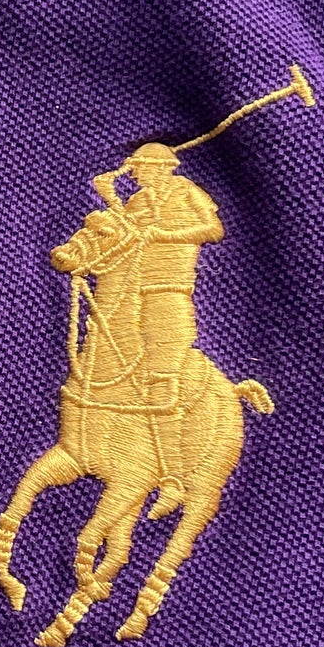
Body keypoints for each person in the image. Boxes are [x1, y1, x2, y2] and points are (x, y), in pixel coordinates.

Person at [91, 142, 224, 488]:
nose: (135, 175)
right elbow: (128, 234)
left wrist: (165, 235)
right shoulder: (138, 201)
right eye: (134, 169)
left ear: (161, 168)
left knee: (161, 380)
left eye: (140, 168)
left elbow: (213, 229)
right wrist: (110, 201)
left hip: (169, 293)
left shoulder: (185, 191)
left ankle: (172, 475)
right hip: (132, 292)